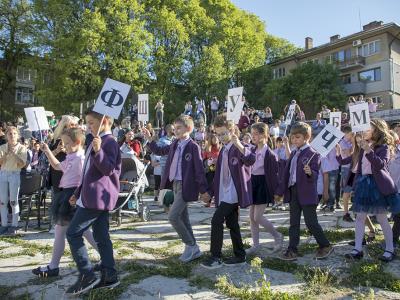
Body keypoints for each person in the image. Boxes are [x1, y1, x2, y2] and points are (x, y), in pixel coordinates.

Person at [65, 107, 122, 295]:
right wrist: (78, 191)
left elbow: (107, 170)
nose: (88, 126)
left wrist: (99, 150)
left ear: (104, 122)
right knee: (101, 237)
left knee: (73, 233)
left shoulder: (110, 142)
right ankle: (110, 274)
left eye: (91, 123)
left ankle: (87, 274)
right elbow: (88, 170)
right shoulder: (94, 141)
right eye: (88, 123)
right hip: (91, 195)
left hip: (98, 197)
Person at [32, 128, 98, 277]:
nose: (64, 146)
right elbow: (56, 166)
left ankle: (54, 266)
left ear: (78, 142)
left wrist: (78, 196)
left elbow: (85, 180)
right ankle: (107, 257)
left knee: (69, 230)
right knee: (81, 230)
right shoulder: (71, 156)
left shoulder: (80, 158)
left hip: (73, 196)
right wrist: (48, 150)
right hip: (66, 194)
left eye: (67, 143)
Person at [143, 114, 208, 263]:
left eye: (179, 128)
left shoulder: (193, 147)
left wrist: (204, 190)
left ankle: (191, 245)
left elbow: (199, 170)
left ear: (189, 128)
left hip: (186, 186)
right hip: (175, 184)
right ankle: (193, 248)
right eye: (175, 128)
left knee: (173, 216)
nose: (176, 131)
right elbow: (160, 150)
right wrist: (150, 140)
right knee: (184, 219)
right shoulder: (174, 144)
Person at [200, 114, 255, 269]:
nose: (221, 137)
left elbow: (251, 160)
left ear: (232, 131)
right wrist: (210, 193)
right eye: (218, 134)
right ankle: (240, 255)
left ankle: (215, 256)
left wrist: (240, 145)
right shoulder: (224, 149)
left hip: (234, 193)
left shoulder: (239, 146)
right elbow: (218, 176)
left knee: (216, 220)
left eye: (224, 133)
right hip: (224, 192)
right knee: (232, 224)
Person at [275, 122, 333, 261]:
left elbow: (315, 175)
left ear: (307, 137)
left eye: (298, 137)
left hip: (307, 193)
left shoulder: (313, 154)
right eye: (293, 138)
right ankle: (292, 249)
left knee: (311, 222)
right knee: (293, 222)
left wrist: (310, 173)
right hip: (294, 191)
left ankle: (325, 245)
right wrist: (280, 191)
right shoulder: (294, 153)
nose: (294, 140)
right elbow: (287, 174)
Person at [344, 119, 400, 262]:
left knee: (382, 218)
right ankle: (357, 249)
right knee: (360, 217)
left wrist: (368, 151)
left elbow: (380, 165)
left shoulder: (384, 147)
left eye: (368, 129)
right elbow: (359, 168)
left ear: (377, 131)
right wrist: (354, 185)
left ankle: (389, 249)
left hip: (378, 185)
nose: (364, 132)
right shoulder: (363, 146)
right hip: (364, 184)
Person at [246, 123, 283, 255]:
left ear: (264, 135)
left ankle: (277, 236)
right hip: (253, 183)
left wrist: (277, 192)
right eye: (252, 133)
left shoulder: (270, 154)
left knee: (257, 216)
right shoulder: (252, 150)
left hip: (263, 184)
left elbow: (274, 175)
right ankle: (256, 245)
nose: (253, 136)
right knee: (251, 217)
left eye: (256, 133)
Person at [0, 127, 27, 235]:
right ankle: (4, 225)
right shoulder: (2, 147)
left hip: (14, 174)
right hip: (3, 174)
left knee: (13, 201)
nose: (12, 136)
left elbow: (22, 164)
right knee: (2, 201)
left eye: (14, 133)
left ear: (18, 135)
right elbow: (1, 163)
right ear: (6, 136)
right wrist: (6, 154)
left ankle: (14, 225)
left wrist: (14, 154)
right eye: (10, 134)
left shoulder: (22, 148)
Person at [335, 126, 355, 222]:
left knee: (352, 190)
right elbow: (348, 156)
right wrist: (354, 146)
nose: (351, 136)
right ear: (346, 133)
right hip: (347, 169)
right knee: (347, 191)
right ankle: (345, 213)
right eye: (351, 134)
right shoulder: (342, 143)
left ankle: (352, 210)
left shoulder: (349, 142)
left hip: (352, 169)